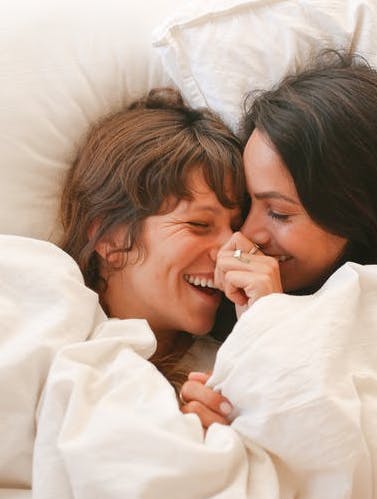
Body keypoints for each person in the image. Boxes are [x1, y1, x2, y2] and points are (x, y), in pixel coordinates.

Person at [180, 50, 377, 420]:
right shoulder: (218, 311)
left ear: (358, 211)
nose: (247, 233)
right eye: (246, 203)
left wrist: (272, 324)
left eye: (279, 212)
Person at [59, 86, 245, 425]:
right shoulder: (44, 319)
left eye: (236, 227)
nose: (230, 251)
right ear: (110, 238)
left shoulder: (227, 376)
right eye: (199, 224)